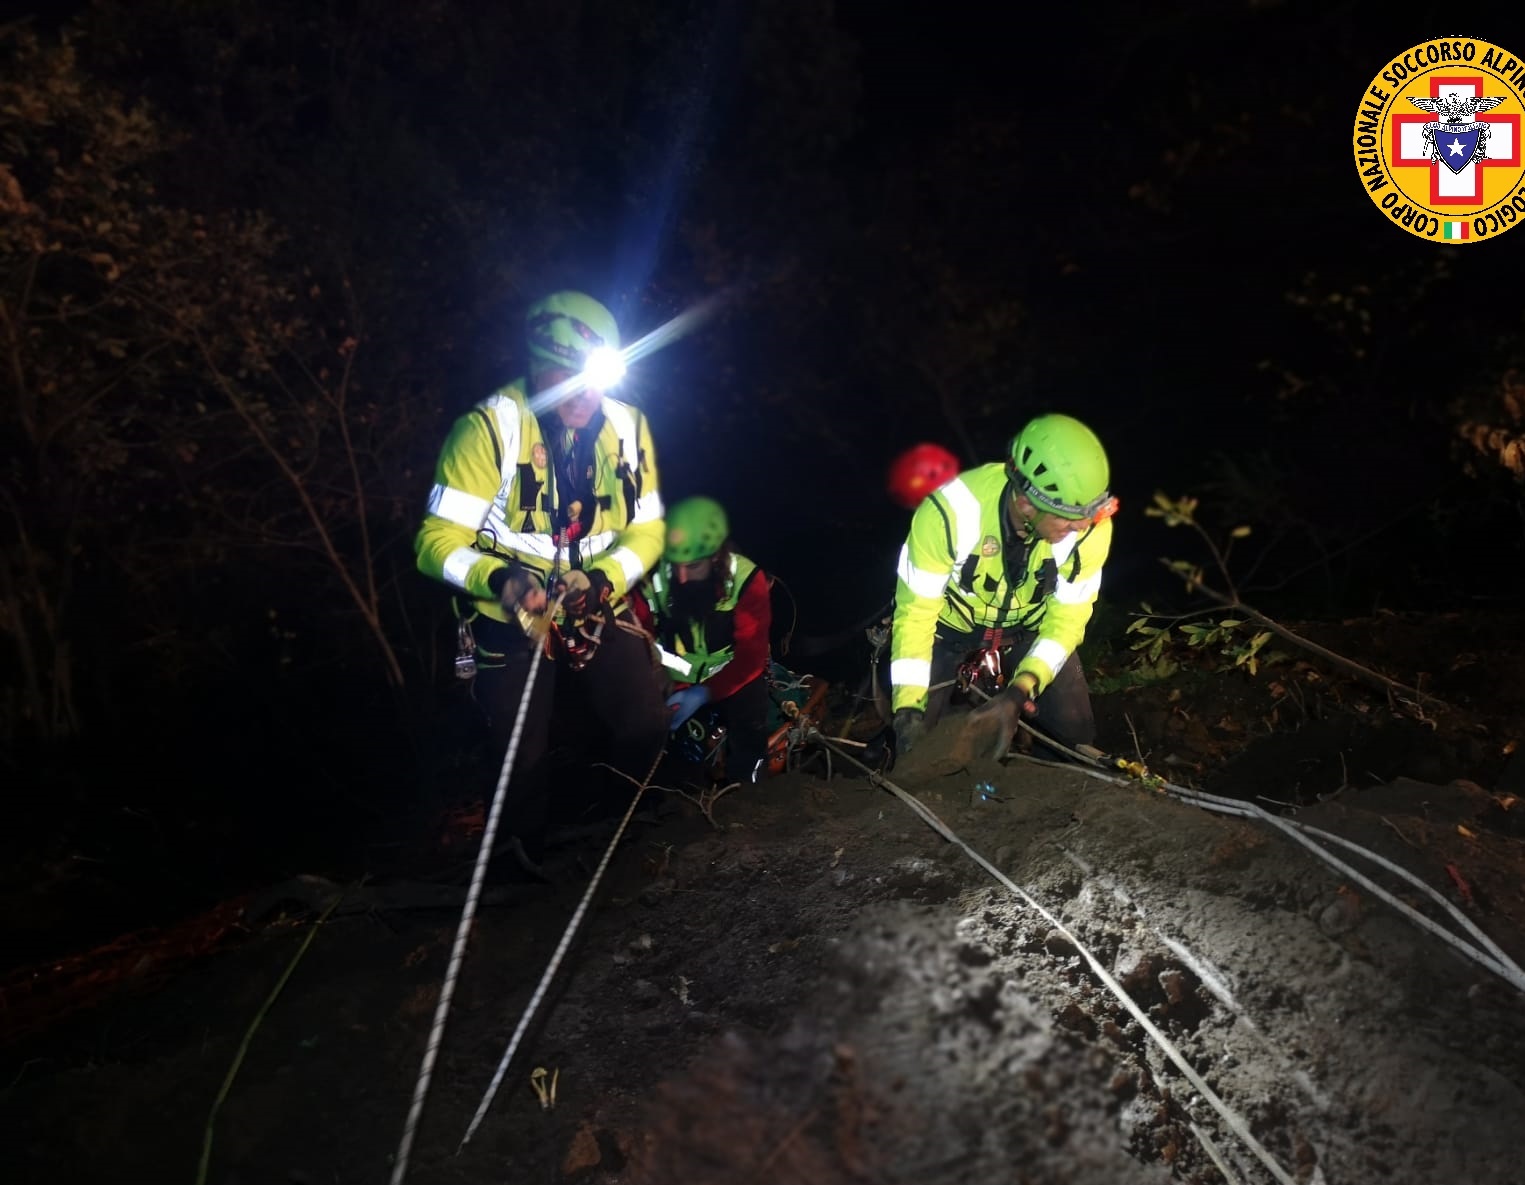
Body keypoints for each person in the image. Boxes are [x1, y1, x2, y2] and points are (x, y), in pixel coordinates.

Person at [414, 290, 670, 868]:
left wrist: (602, 580)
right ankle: (518, 857)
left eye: (595, 376)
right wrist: (498, 578)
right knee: (520, 753)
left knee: (643, 722)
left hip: (593, 605)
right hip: (509, 616)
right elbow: (434, 545)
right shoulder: (487, 430)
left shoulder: (630, 429)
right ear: (536, 365)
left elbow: (649, 530)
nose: (582, 393)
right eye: (564, 374)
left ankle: (625, 828)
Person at [884, 412, 1116, 765]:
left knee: (1075, 733)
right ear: (1025, 501)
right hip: (948, 630)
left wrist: (1021, 688)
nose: (1082, 525)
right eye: (1069, 516)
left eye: (1089, 514)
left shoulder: (1091, 530)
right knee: (918, 750)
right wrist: (907, 710)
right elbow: (915, 615)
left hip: (1029, 627)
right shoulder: (947, 515)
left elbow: (1069, 619)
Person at [628, 496, 774, 784]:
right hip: (674, 679)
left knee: (751, 709)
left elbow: (750, 658)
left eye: (693, 566)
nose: (681, 577)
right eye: (675, 563)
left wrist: (705, 692)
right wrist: (660, 680)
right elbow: (641, 636)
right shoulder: (653, 579)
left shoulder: (746, 581)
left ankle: (752, 787)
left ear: (716, 557)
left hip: (732, 675)